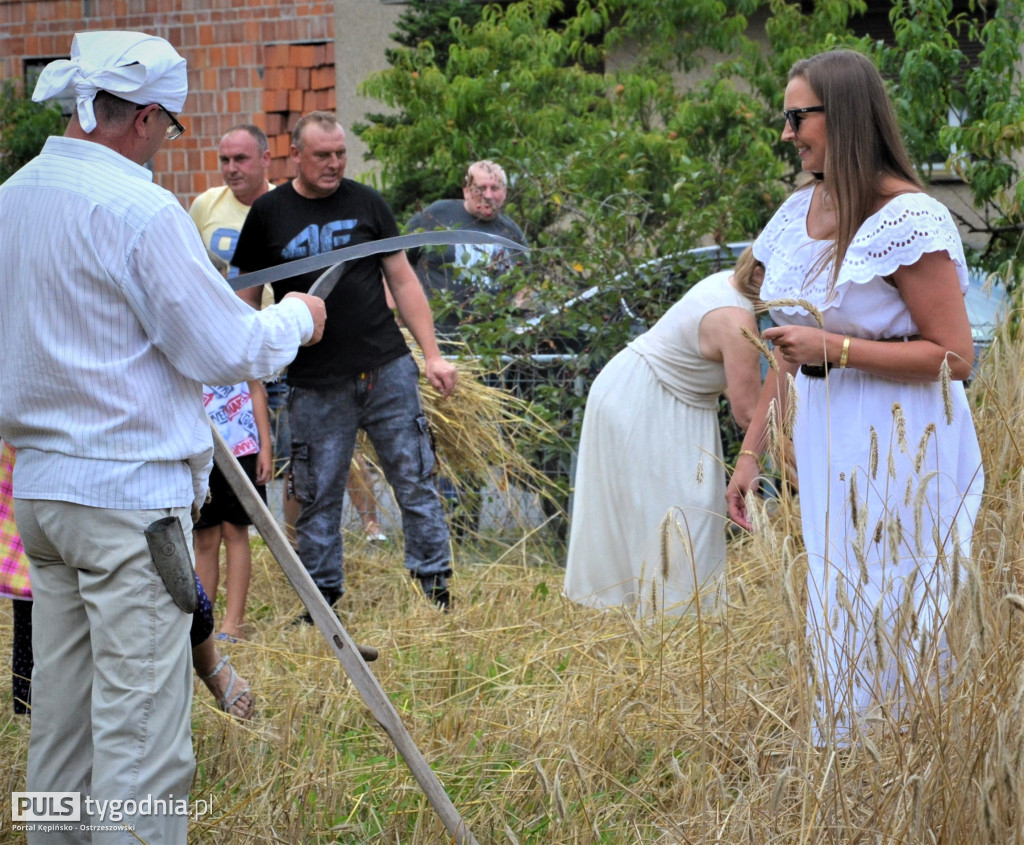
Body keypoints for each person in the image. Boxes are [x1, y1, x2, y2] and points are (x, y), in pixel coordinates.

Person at [0, 31, 325, 843]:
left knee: (64, 732)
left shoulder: (12, 198)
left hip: (42, 493)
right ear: (143, 117)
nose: (164, 143)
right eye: (170, 126)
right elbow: (221, 346)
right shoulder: (139, 209)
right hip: (127, 501)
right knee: (140, 745)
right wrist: (298, 317)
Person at [725, 49, 983, 746]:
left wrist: (833, 351)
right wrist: (750, 456)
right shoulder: (797, 213)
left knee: (901, 590)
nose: (787, 132)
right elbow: (791, 344)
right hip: (830, 431)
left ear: (840, 115)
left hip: (904, 433)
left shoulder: (909, 217)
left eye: (796, 115)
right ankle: (853, 754)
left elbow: (955, 355)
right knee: (841, 594)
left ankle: (920, 752)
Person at [233, 111, 458, 612]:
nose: (334, 163)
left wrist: (433, 355)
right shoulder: (269, 213)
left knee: (416, 480)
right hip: (314, 382)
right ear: (295, 155)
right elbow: (245, 300)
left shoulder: (366, 202)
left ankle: (435, 589)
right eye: (322, 155)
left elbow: (402, 280)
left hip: (388, 370)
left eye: (340, 154)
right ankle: (323, 603)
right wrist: (245, 367)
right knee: (316, 495)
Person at [563, 249, 765, 616]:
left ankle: (665, 625)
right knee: (680, 517)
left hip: (660, 397)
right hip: (644, 399)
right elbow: (750, 413)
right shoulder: (738, 321)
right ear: (762, 274)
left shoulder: (731, 288)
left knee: (684, 514)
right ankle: (672, 627)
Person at [406, 160, 528, 340]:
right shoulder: (437, 215)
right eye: (480, 188)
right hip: (434, 334)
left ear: (505, 192)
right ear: (466, 190)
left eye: (495, 188)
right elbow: (396, 263)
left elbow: (525, 283)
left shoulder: (511, 232)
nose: (488, 195)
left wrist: (515, 318)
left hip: (491, 341)